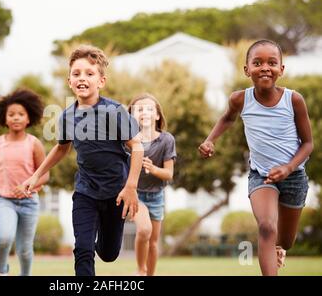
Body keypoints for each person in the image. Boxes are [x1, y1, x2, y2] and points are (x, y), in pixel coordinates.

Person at [20, 45, 143, 276]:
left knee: (108, 253)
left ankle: (102, 242)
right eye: (76, 74)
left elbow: (137, 147)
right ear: (69, 81)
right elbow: (61, 148)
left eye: (89, 73)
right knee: (83, 249)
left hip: (116, 192)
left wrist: (131, 187)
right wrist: (35, 175)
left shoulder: (115, 111)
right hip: (85, 192)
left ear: (101, 81)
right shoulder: (67, 116)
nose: (82, 78)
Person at [198, 39, 313, 276]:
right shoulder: (240, 99)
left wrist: (289, 168)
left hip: (294, 176)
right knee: (267, 227)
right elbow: (227, 118)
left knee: (286, 240)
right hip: (261, 175)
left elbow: (308, 143)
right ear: (246, 69)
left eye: (272, 62)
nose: (265, 67)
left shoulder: (294, 100)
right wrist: (210, 139)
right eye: (257, 62)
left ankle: (279, 247)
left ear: (281, 69)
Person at [0, 89, 48, 276]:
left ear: (29, 118)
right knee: (4, 237)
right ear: (4, 119)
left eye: (21, 114)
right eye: (11, 114)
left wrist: (30, 186)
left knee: (25, 249)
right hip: (4, 198)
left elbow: (45, 175)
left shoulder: (34, 143)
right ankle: (1, 269)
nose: (16, 118)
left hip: (29, 202)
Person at [127, 93, 176, 276]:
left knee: (154, 242)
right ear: (131, 115)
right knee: (144, 230)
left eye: (149, 109)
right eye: (139, 109)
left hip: (156, 195)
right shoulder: (128, 141)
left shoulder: (166, 140)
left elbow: (169, 174)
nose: (144, 112)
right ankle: (141, 270)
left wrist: (153, 169)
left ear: (157, 115)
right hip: (135, 194)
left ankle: (150, 275)